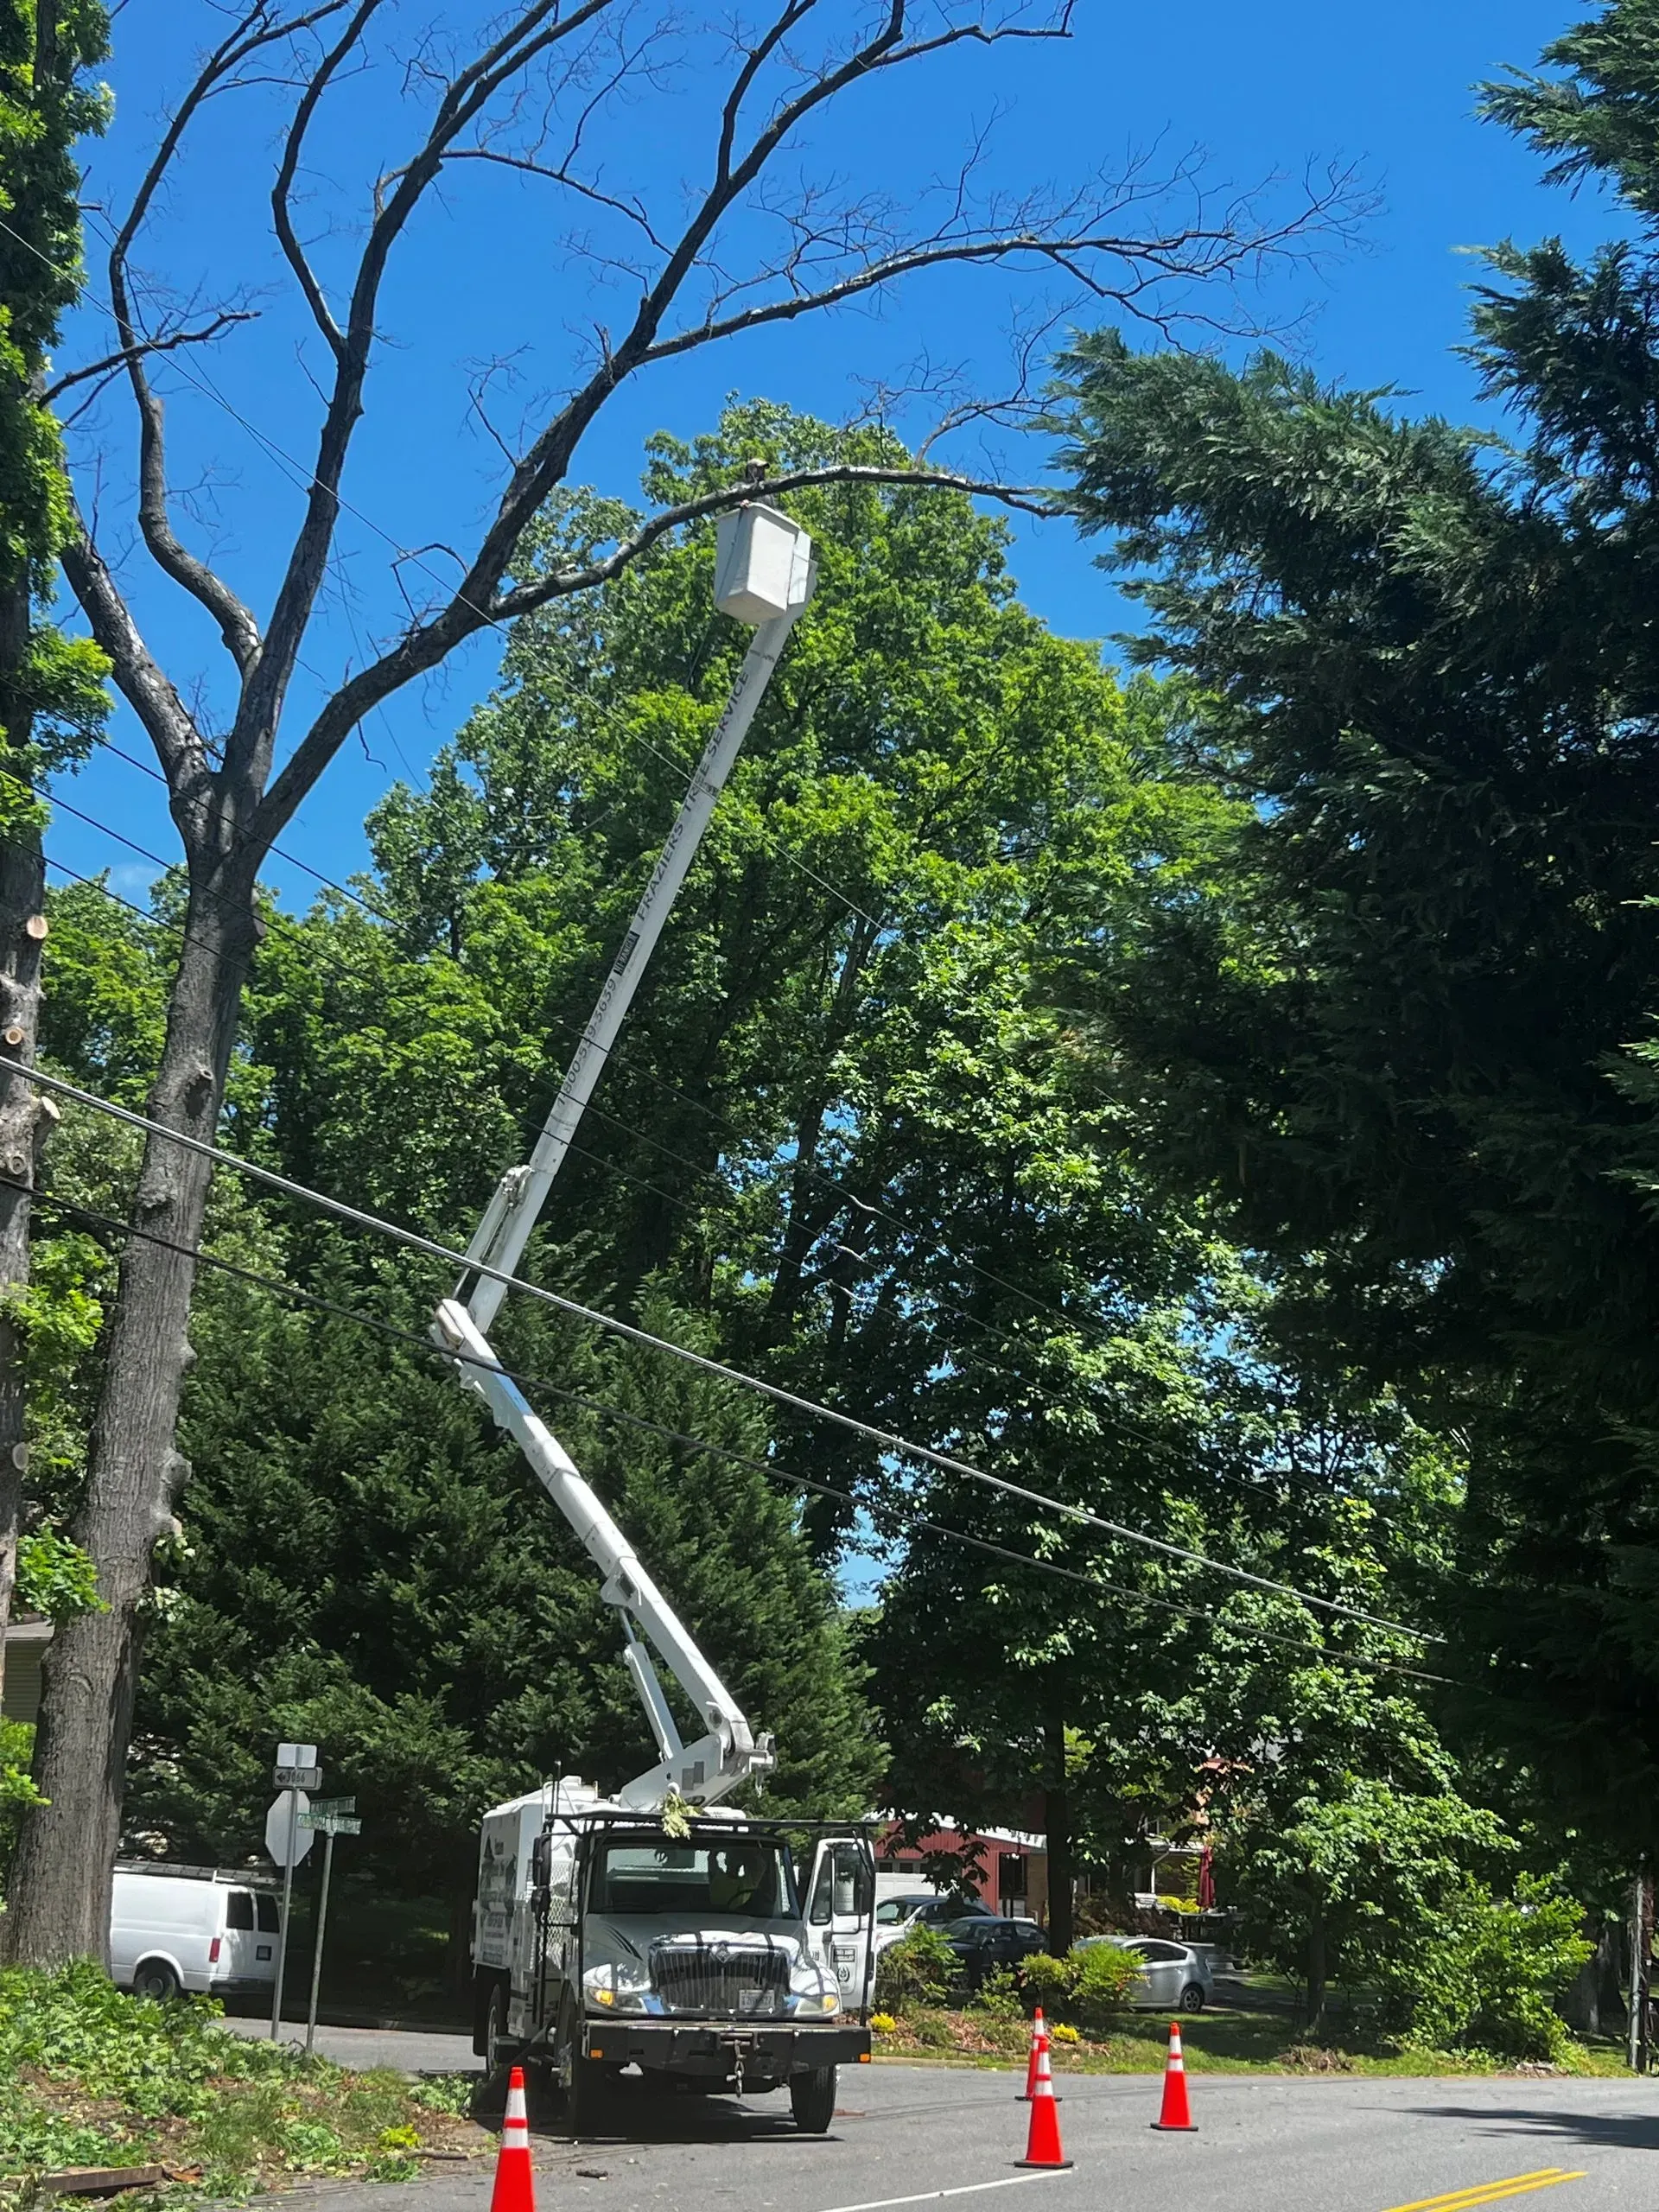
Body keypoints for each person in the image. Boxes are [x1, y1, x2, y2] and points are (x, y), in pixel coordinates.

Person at [708, 1845, 768, 1914]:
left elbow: (711, 1858)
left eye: (734, 1857)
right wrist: (750, 1853)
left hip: (736, 1917)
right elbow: (760, 1866)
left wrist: (719, 1849)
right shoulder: (748, 1883)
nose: (733, 1860)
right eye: (731, 1857)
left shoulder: (716, 1877)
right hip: (716, 1916)